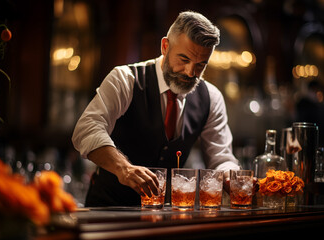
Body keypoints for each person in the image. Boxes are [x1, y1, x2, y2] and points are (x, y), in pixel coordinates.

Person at [72, 10, 240, 207]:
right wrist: (124, 168)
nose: (190, 72)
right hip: (108, 209)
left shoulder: (211, 97)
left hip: (163, 215)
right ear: (165, 46)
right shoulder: (126, 79)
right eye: (184, 59)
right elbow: (86, 129)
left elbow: (220, 158)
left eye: (201, 65)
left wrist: (233, 178)